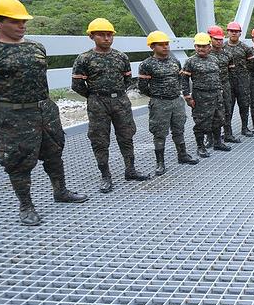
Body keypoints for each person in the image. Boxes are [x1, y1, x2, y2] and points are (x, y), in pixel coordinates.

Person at [0, 0, 87, 226]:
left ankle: (60, 191)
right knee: (18, 160)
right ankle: (26, 205)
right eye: (14, 21)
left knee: (54, 152)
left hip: (45, 111)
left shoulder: (36, 47)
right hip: (14, 116)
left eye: (23, 21)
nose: (21, 26)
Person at [71, 18, 150, 193]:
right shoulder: (84, 59)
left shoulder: (121, 57)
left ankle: (130, 170)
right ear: (92, 36)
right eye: (102, 35)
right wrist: (94, 97)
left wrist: (117, 94)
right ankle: (105, 176)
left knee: (126, 135)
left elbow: (127, 79)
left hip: (120, 101)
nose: (106, 38)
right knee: (100, 140)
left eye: (109, 35)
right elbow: (76, 85)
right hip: (98, 103)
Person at [138, 31, 199, 176]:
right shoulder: (147, 65)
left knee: (179, 128)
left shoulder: (174, 61)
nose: (165, 47)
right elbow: (142, 86)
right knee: (159, 132)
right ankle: (160, 163)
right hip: (159, 103)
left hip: (176, 101)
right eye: (161, 44)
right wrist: (156, 96)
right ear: (152, 47)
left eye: (166, 44)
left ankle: (182, 155)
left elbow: (180, 80)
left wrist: (181, 94)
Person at [181, 33, 231, 157]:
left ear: (209, 47)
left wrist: (220, 91)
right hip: (201, 96)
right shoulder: (190, 61)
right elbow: (184, 80)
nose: (201, 49)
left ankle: (217, 142)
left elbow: (218, 76)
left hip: (216, 95)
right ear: (195, 46)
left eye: (204, 46)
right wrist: (187, 96)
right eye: (198, 46)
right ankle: (200, 146)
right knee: (201, 122)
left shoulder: (214, 59)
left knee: (219, 119)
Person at [208, 25, 240, 144]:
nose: (219, 42)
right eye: (216, 39)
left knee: (228, 110)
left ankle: (228, 134)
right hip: (211, 88)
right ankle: (210, 138)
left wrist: (232, 87)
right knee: (211, 112)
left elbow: (232, 73)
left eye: (221, 39)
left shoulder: (227, 55)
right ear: (210, 39)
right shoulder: (206, 55)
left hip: (226, 85)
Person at [224, 21, 254, 138]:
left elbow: (252, 64)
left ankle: (245, 128)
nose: (234, 33)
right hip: (228, 81)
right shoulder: (222, 47)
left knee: (244, 105)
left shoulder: (245, 48)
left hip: (242, 81)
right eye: (232, 31)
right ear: (227, 32)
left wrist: (243, 72)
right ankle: (228, 131)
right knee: (228, 106)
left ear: (240, 33)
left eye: (236, 31)